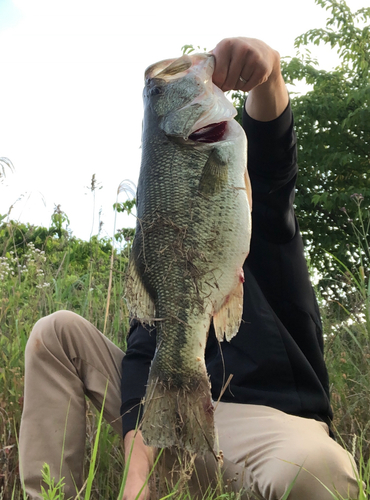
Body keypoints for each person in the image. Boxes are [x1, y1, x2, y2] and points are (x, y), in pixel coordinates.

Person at [19, 37, 359, 500]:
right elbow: (145, 355)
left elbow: (274, 156)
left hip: (268, 428)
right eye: (159, 96)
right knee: (56, 333)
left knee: (318, 469)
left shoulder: (259, 199)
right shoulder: (161, 233)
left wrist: (270, 73)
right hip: (170, 423)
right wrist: (139, 477)